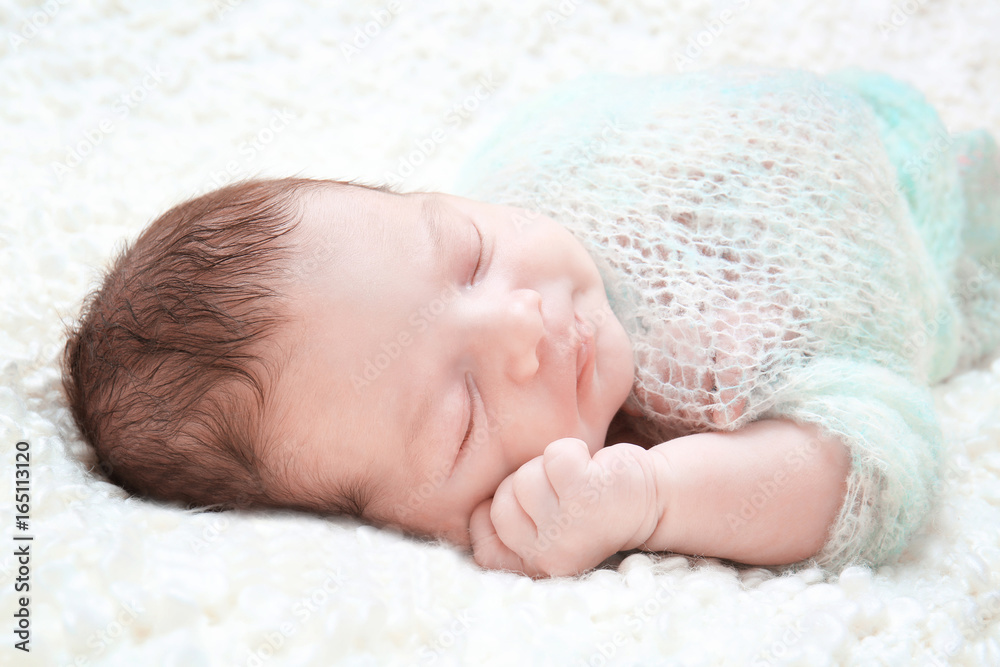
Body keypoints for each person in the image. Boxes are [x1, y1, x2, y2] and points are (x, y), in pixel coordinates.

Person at [62, 67, 1000, 578]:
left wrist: (666, 485)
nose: (519, 324)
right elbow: (865, 457)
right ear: (412, 530)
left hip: (901, 172)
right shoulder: (600, 457)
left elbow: (877, 482)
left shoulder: (560, 172)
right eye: (462, 408)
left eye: (470, 255)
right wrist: (652, 493)